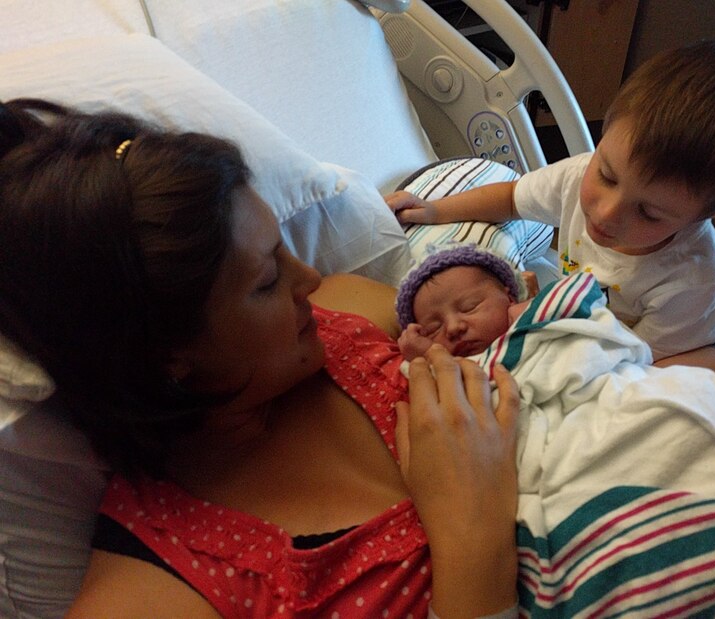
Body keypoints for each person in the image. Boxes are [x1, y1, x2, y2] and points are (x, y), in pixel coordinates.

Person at [0, 98, 522, 619]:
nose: (310, 279)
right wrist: (473, 548)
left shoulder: (350, 315)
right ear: (167, 354)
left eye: (282, 248)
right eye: (268, 282)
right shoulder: (152, 592)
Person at [385, 39, 715, 389]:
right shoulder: (578, 178)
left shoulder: (695, 279)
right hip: (679, 324)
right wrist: (435, 209)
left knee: (681, 392)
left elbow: (634, 356)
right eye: (608, 176)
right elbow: (510, 198)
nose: (607, 214)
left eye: (649, 213)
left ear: (709, 213)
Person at [394, 242, 532, 361]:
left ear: (509, 299)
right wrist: (429, 356)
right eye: (433, 329)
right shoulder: (450, 372)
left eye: (469, 307)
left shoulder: (534, 317)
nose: (453, 328)